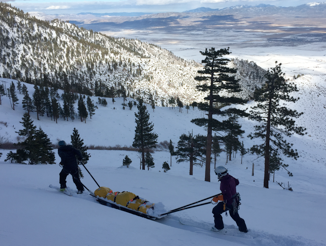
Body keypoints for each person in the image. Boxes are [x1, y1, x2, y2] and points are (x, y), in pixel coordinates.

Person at [212, 166, 248, 233]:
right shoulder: (229, 177)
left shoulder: (224, 182)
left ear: (220, 174)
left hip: (229, 202)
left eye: (217, 174)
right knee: (234, 215)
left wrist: (218, 198)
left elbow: (228, 196)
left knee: (215, 211)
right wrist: (229, 189)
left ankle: (218, 227)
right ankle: (243, 229)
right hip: (235, 200)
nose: (217, 176)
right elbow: (237, 182)